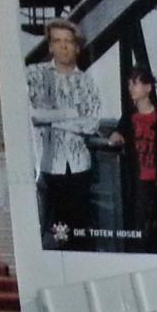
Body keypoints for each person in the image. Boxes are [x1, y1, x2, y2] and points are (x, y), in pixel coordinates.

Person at [27, 17, 102, 249]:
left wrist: (53, 120)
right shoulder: (35, 74)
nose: (63, 46)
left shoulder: (87, 81)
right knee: (53, 233)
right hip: (47, 165)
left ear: (77, 47)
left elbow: (91, 124)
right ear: (50, 46)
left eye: (68, 41)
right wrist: (72, 112)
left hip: (80, 166)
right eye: (57, 41)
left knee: (79, 230)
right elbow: (35, 115)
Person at [107, 68, 157, 253]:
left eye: (135, 83)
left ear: (148, 88)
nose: (130, 88)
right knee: (138, 223)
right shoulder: (129, 117)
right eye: (129, 84)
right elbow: (117, 132)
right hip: (138, 180)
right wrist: (116, 135)